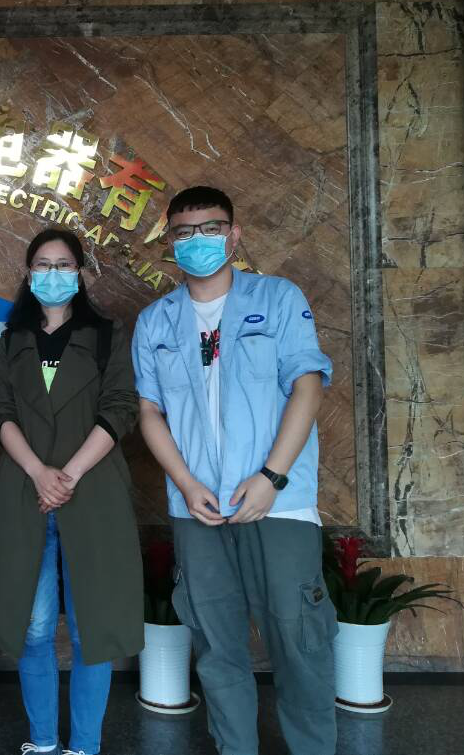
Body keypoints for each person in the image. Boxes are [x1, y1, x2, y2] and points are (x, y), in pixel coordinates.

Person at [133, 186, 338, 755]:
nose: (197, 241)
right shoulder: (155, 321)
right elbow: (150, 413)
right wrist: (186, 483)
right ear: (170, 242)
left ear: (234, 234)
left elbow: (308, 386)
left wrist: (271, 477)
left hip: (279, 502)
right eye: (184, 232)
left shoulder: (277, 298)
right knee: (216, 645)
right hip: (197, 507)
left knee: (298, 640)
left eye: (211, 228)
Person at [0, 228, 143, 755]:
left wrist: (67, 476)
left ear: (80, 272)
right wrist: (38, 472)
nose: (53, 274)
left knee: (90, 626)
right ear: (29, 274)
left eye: (64, 264)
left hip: (91, 492)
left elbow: (120, 407)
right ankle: (44, 741)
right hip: (26, 493)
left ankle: (86, 745)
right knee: (33, 627)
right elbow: (0, 410)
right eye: (43, 265)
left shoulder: (106, 335)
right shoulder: (12, 339)